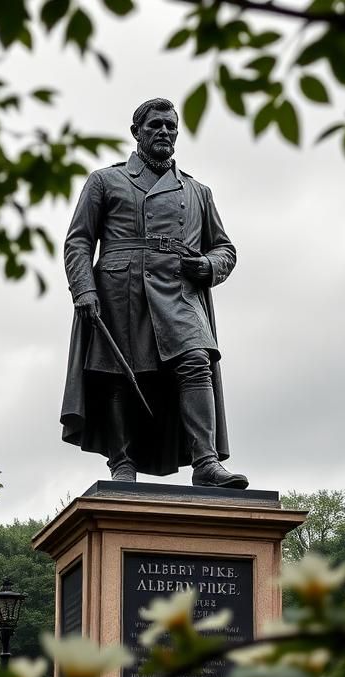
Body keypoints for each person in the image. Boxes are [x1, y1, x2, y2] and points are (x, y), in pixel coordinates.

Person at [60, 97, 248, 489]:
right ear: (136, 132)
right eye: (155, 126)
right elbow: (79, 241)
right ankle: (122, 462)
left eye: (171, 127)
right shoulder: (104, 180)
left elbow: (225, 248)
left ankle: (206, 462)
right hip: (119, 289)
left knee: (197, 360)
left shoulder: (198, 191)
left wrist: (209, 266)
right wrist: (83, 290)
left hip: (178, 289)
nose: (164, 132)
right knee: (117, 375)